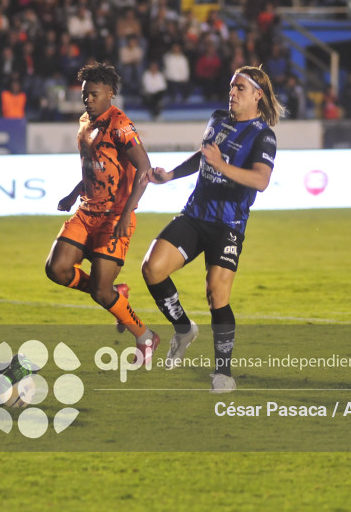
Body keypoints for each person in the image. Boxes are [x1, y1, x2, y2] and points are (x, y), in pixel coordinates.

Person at [141, 65, 284, 393]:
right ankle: (183, 328)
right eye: (231, 86)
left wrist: (222, 165)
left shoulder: (263, 135)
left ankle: (223, 374)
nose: (231, 93)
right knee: (152, 269)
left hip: (228, 224)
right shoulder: (217, 118)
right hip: (195, 215)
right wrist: (171, 175)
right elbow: (203, 157)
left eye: (240, 89)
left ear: (257, 96)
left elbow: (260, 180)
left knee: (216, 294)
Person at [44, 62, 159, 364]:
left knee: (100, 291)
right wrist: (72, 193)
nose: (88, 100)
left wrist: (126, 215)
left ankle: (146, 337)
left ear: (110, 93)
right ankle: (114, 294)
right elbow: (95, 168)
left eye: (94, 94)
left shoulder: (121, 126)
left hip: (114, 217)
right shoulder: (85, 122)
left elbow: (145, 170)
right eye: (85, 95)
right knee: (56, 269)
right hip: (86, 212)